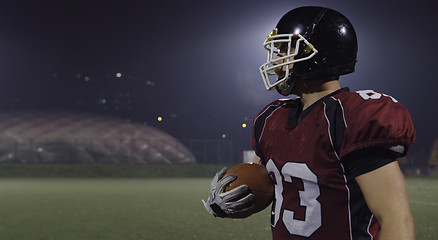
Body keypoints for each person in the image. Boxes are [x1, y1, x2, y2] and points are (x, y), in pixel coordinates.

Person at [203, 6, 416, 240]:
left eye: (285, 50)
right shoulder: (271, 119)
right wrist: (230, 198)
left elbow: (395, 219)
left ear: (319, 57)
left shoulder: (350, 117)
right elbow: (263, 184)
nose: (276, 59)